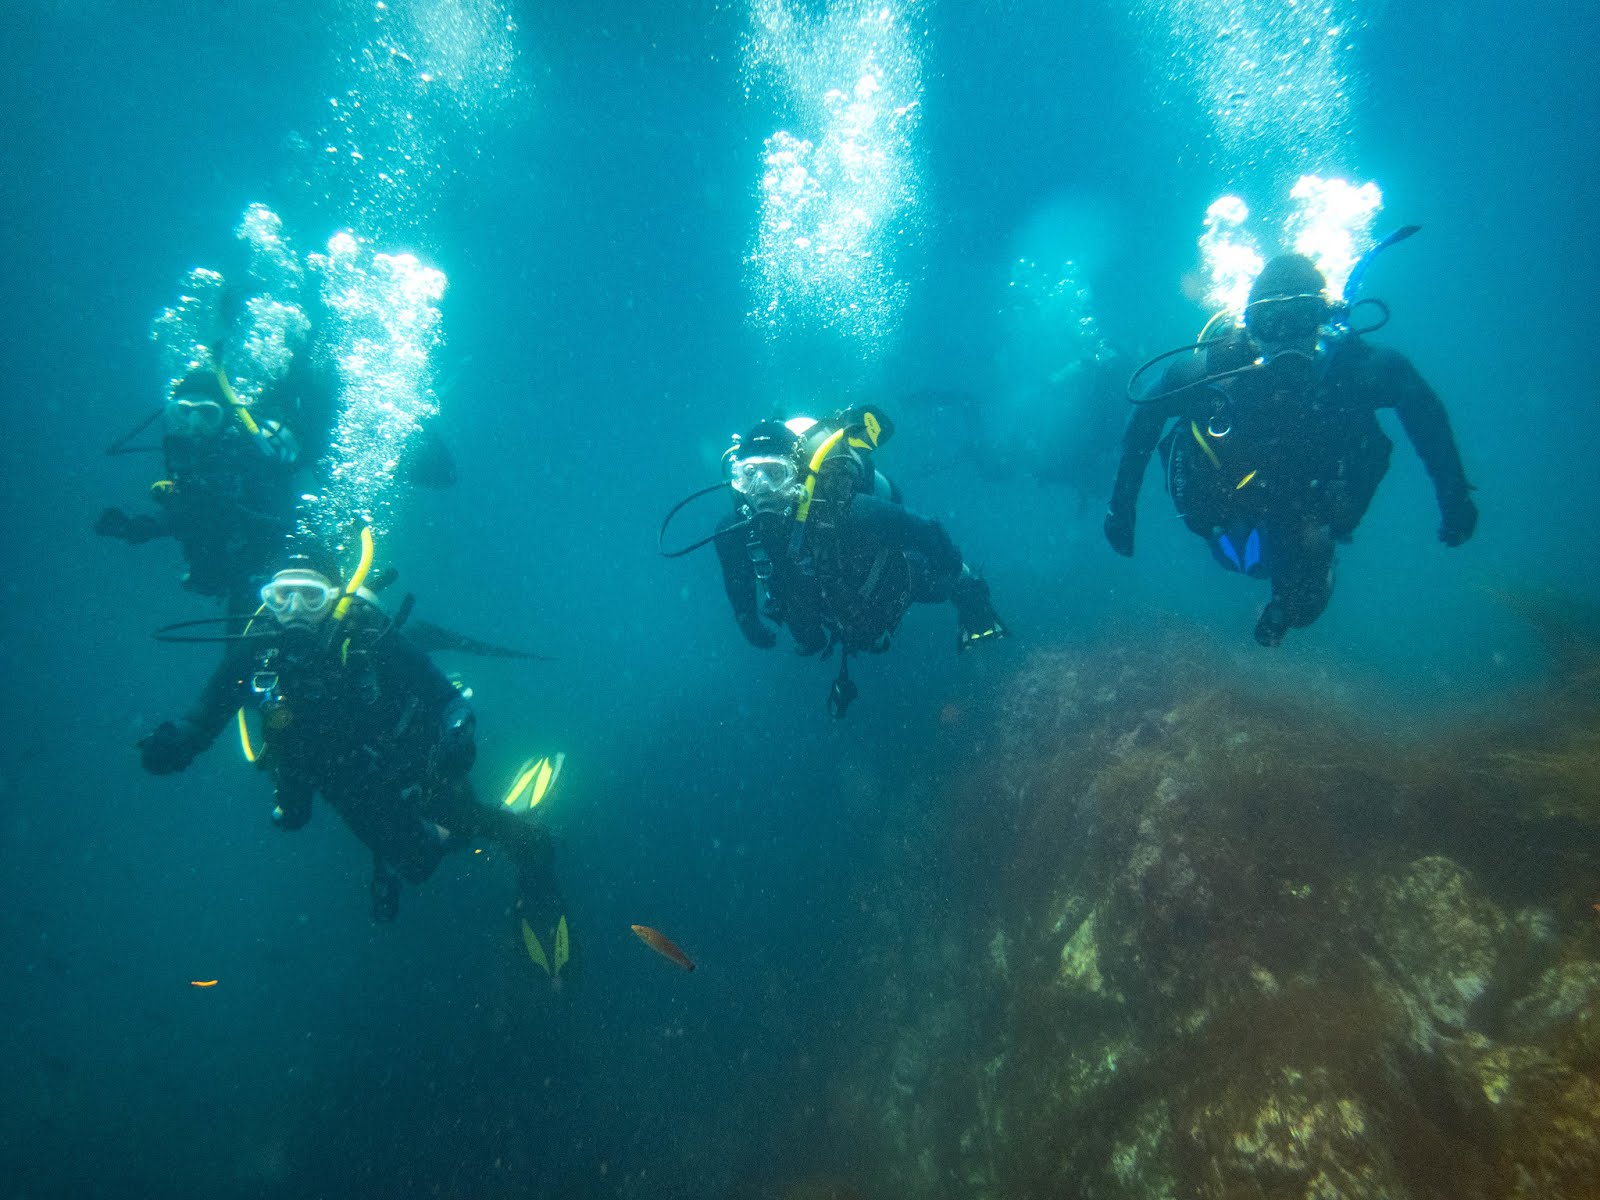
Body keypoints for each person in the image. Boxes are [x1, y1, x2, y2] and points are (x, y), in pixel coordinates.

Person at [136, 534, 570, 968]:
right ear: (267, 598)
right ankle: (433, 840)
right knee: (419, 866)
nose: (294, 612)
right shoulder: (257, 649)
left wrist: (458, 734)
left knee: (522, 838)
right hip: (342, 782)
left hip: (409, 759)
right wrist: (175, 743)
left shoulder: (368, 633)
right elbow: (203, 717)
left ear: (333, 599)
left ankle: (533, 895)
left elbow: (445, 700)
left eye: (310, 597)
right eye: (282, 596)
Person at [1104, 252, 1478, 646]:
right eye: (1270, 322)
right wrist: (1121, 508)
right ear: (1248, 327)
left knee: (1303, 603)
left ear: (1325, 318)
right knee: (1237, 556)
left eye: (1301, 318)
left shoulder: (1360, 367)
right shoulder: (1213, 368)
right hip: (1232, 491)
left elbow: (1426, 418)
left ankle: (1290, 599)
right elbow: (1145, 420)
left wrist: (1454, 495)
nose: (1285, 337)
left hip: (1311, 497)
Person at [708, 406, 1007, 716]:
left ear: (795, 474)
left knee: (928, 583)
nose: (761, 490)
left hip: (873, 565)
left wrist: (954, 570)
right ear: (736, 479)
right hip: (824, 589)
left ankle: (969, 588)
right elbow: (737, 577)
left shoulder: (849, 511)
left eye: (774, 473)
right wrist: (746, 619)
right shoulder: (733, 533)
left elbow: (927, 531)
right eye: (748, 476)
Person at [96, 366, 303, 611]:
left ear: (224, 416)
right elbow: (185, 505)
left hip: (270, 565)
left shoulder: (248, 453)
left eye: (207, 413)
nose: (194, 424)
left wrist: (222, 506)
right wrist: (144, 526)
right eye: (183, 412)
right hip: (233, 575)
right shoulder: (182, 453)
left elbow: (276, 515)